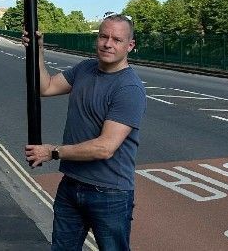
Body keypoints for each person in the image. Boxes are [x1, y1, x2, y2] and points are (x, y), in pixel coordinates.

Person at [23, 13, 146, 251]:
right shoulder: (85, 69)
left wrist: (53, 152)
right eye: (103, 36)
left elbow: (105, 147)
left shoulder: (129, 88)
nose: (108, 43)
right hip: (71, 185)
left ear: (130, 46)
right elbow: (44, 87)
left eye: (117, 39)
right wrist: (37, 50)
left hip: (109, 192)